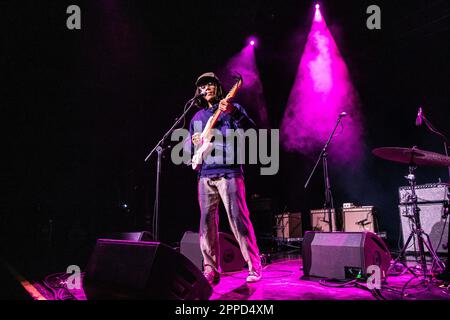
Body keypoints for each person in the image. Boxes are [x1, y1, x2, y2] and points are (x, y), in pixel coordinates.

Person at [188, 72, 262, 284]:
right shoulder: (196, 118)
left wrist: (232, 113)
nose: (207, 87)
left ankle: (254, 266)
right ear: (199, 92)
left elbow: (252, 130)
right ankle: (210, 269)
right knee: (206, 224)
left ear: (218, 87)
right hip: (205, 175)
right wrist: (194, 141)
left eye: (210, 83)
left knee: (238, 220)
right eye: (203, 85)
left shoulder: (232, 109)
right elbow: (195, 148)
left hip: (229, 171)